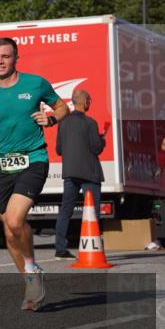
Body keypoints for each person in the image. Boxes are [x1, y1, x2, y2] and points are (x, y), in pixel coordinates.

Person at [0, 37, 69, 311]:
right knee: (8, 232)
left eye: (6, 56)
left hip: (34, 159)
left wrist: (51, 119)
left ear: (16, 57)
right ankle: (32, 281)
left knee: (16, 221)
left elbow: (63, 106)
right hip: (3, 165)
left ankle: (31, 269)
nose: (0, 61)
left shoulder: (35, 84)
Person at [53, 89, 106, 261]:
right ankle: (94, 247)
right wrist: (102, 139)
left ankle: (60, 249)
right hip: (89, 173)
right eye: (90, 100)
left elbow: (59, 150)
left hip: (69, 172)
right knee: (92, 212)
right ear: (85, 102)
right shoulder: (90, 123)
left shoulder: (63, 123)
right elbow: (96, 148)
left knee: (65, 210)